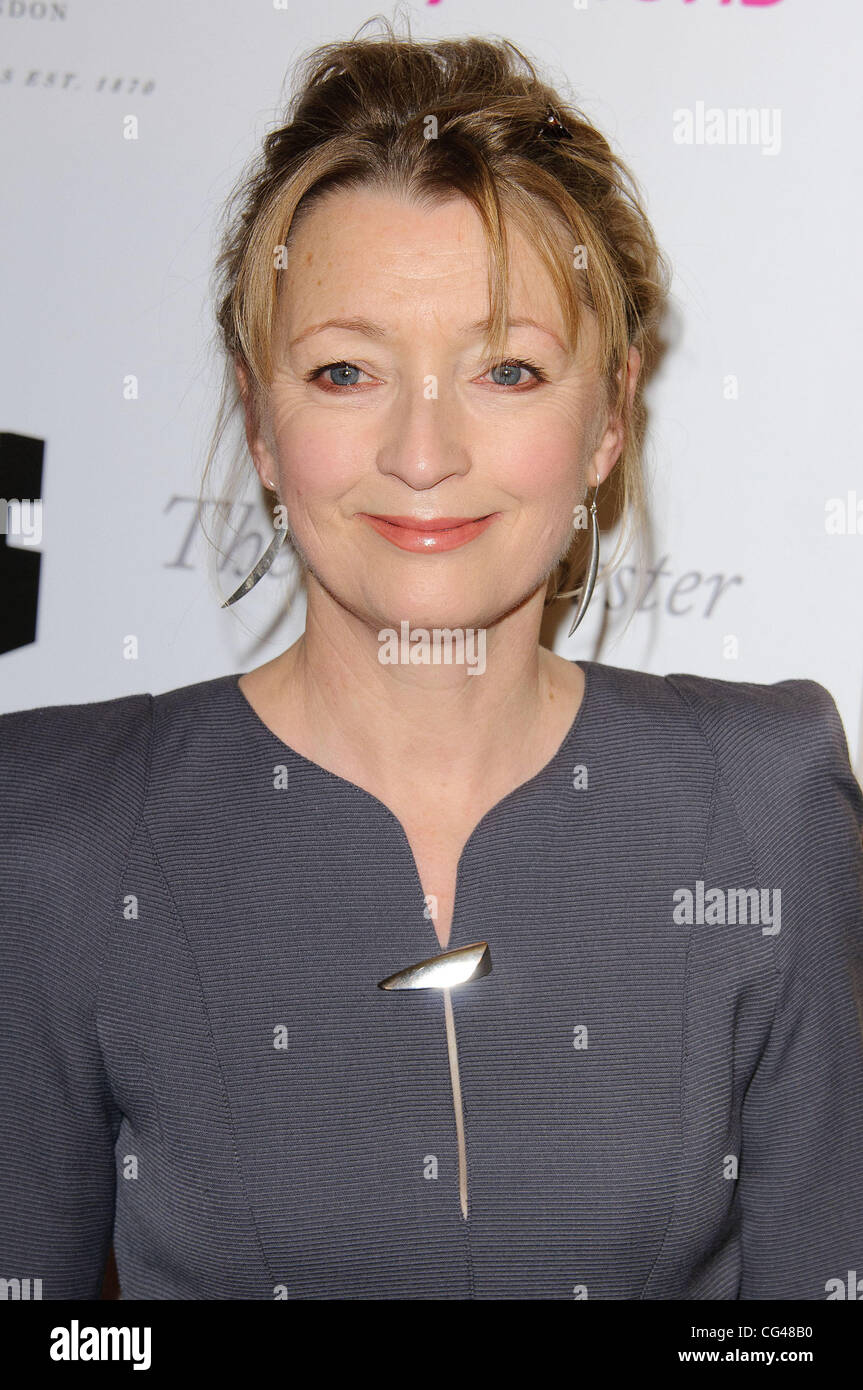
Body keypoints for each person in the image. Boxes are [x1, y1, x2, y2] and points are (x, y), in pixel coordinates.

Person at [2, 23, 862, 1301]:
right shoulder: (62, 825)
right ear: (258, 419)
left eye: (505, 368)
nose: (422, 449)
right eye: (345, 370)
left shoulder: (762, 798)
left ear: (608, 416)